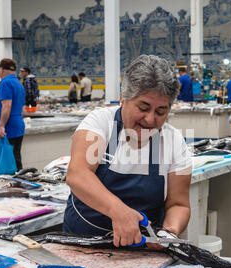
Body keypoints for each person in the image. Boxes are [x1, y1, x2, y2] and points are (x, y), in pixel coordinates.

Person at [63, 54, 193, 247]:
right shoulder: (100, 122)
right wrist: (119, 211)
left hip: (142, 248)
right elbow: (77, 174)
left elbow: (178, 204)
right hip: (83, 243)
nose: (150, 119)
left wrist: (169, 232)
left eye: (160, 112)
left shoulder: (173, 140)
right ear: (123, 98)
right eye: (143, 107)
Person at [0, 58, 26, 171]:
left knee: (8, 164)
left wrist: (1, 126)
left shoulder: (6, 82)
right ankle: (19, 185)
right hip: (16, 124)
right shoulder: (17, 82)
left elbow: (7, 106)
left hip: (8, 127)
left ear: (2, 70)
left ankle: (12, 187)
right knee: (15, 160)